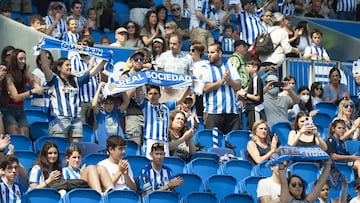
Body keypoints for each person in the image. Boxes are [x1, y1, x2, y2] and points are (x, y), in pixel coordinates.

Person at [40, 50, 106, 142]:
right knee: (60, 147)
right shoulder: (54, 80)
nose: (70, 67)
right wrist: (42, 50)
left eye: (70, 65)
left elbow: (93, 72)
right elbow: (45, 67)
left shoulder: (76, 80)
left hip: (76, 119)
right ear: (59, 68)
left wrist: (104, 60)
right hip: (60, 118)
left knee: (75, 149)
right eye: (67, 65)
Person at [136, 85, 192, 159]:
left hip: (164, 141)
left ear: (159, 95)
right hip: (150, 140)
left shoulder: (166, 107)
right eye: (150, 94)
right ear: (147, 95)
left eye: (155, 94)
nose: (153, 96)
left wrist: (189, 87)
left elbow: (180, 99)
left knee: (164, 164)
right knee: (149, 164)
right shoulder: (145, 106)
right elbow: (138, 93)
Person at [1, 49, 44, 137]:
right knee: (16, 136)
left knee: (25, 136)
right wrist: (32, 91)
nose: (23, 61)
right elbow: (15, 97)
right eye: (20, 59)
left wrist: (41, 89)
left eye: (24, 59)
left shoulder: (24, 73)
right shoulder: (8, 76)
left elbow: (34, 84)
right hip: (8, 110)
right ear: (14, 60)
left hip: (20, 109)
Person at [203, 43, 242, 134]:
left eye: (212, 52)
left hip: (232, 112)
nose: (209, 55)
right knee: (214, 142)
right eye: (208, 52)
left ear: (220, 53)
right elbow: (205, 88)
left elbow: (239, 85)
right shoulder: (206, 68)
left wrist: (229, 80)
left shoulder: (230, 67)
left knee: (232, 144)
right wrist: (221, 81)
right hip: (213, 112)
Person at [70, 35, 102, 128]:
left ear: (90, 47)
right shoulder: (74, 59)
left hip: (95, 101)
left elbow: (99, 79)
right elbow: (74, 75)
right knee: (82, 128)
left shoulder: (96, 60)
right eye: (79, 44)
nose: (81, 46)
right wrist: (89, 69)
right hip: (81, 101)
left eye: (84, 44)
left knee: (95, 128)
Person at [92, 82, 129, 151]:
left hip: (118, 145)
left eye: (111, 103)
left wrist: (122, 87)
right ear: (102, 105)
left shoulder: (116, 113)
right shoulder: (100, 115)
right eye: (106, 104)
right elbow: (94, 105)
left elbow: (126, 102)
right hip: (105, 146)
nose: (109, 106)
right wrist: (99, 88)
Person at [237, 57, 266, 129]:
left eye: (248, 66)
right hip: (250, 109)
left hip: (255, 110)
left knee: (256, 129)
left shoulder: (256, 79)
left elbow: (257, 97)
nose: (246, 68)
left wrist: (244, 94)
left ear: (255, 67)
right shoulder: (252, 79)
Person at [189, 41, 207, 117]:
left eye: (193, 50)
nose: (190, 52)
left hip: (201, 94)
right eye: (189, 50)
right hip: (189, 93)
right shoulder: (188, 63)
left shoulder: (206, 64)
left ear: (199, 52)